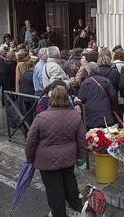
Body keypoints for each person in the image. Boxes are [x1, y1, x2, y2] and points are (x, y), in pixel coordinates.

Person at [25, 86, 86, 217]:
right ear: (67, 99)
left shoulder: (41, 117)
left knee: (54, 190)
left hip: (47, 161)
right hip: (68, 158)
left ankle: (59, 213)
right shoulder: (75, 116)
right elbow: (82, 141)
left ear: (50, 99)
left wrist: (29, 159)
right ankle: (77, 209)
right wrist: (81, 159)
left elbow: (30, 141)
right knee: (70, 184)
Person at [77, 62, 117, 129]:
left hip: (91, 115)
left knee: (94, 136)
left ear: (87, 70)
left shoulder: (85, 83)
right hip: (106, 112)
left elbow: (80, 98)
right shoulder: (106, 81)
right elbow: (113, 96)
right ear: (98, 69)